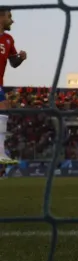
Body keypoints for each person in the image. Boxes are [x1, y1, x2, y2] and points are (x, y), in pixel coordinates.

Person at [0, 9, 26, 165]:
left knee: (4, 109)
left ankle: (1, 152)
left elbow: (13, 63)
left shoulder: (9, 39)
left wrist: (20, 59)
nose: (12, 20)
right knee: (3, 107)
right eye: (9, 16)